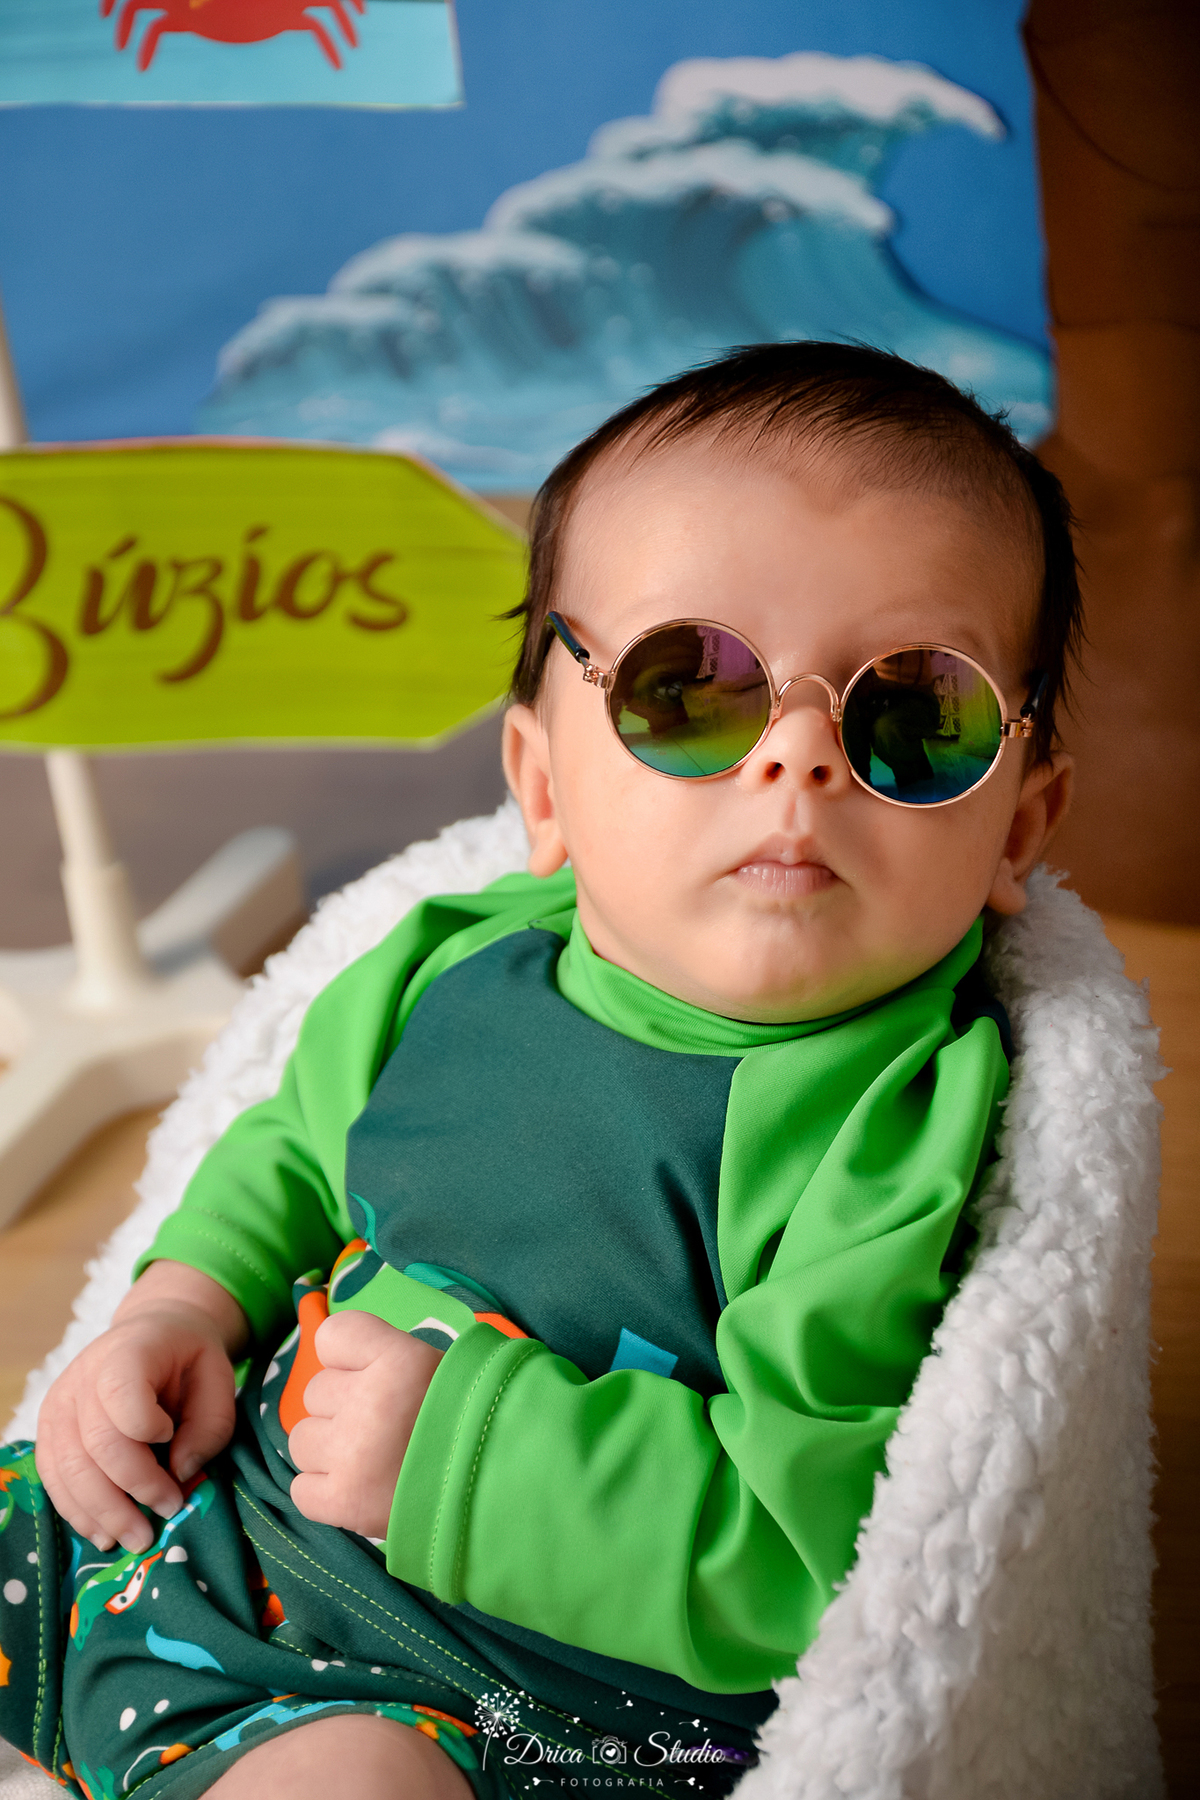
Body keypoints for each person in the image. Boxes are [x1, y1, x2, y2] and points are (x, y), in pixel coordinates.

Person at [0, 344, 1078, 1800]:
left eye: (915, 717)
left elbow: (807, 1559)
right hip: (193, 1512)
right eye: (691, 692)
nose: (800, 759)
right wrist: (182, 1304)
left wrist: (471, 1454)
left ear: (1019, 829)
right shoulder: (451, 957)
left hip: (481, 1695)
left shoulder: (881, 1125)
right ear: (545, 785)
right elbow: (291, 1146)